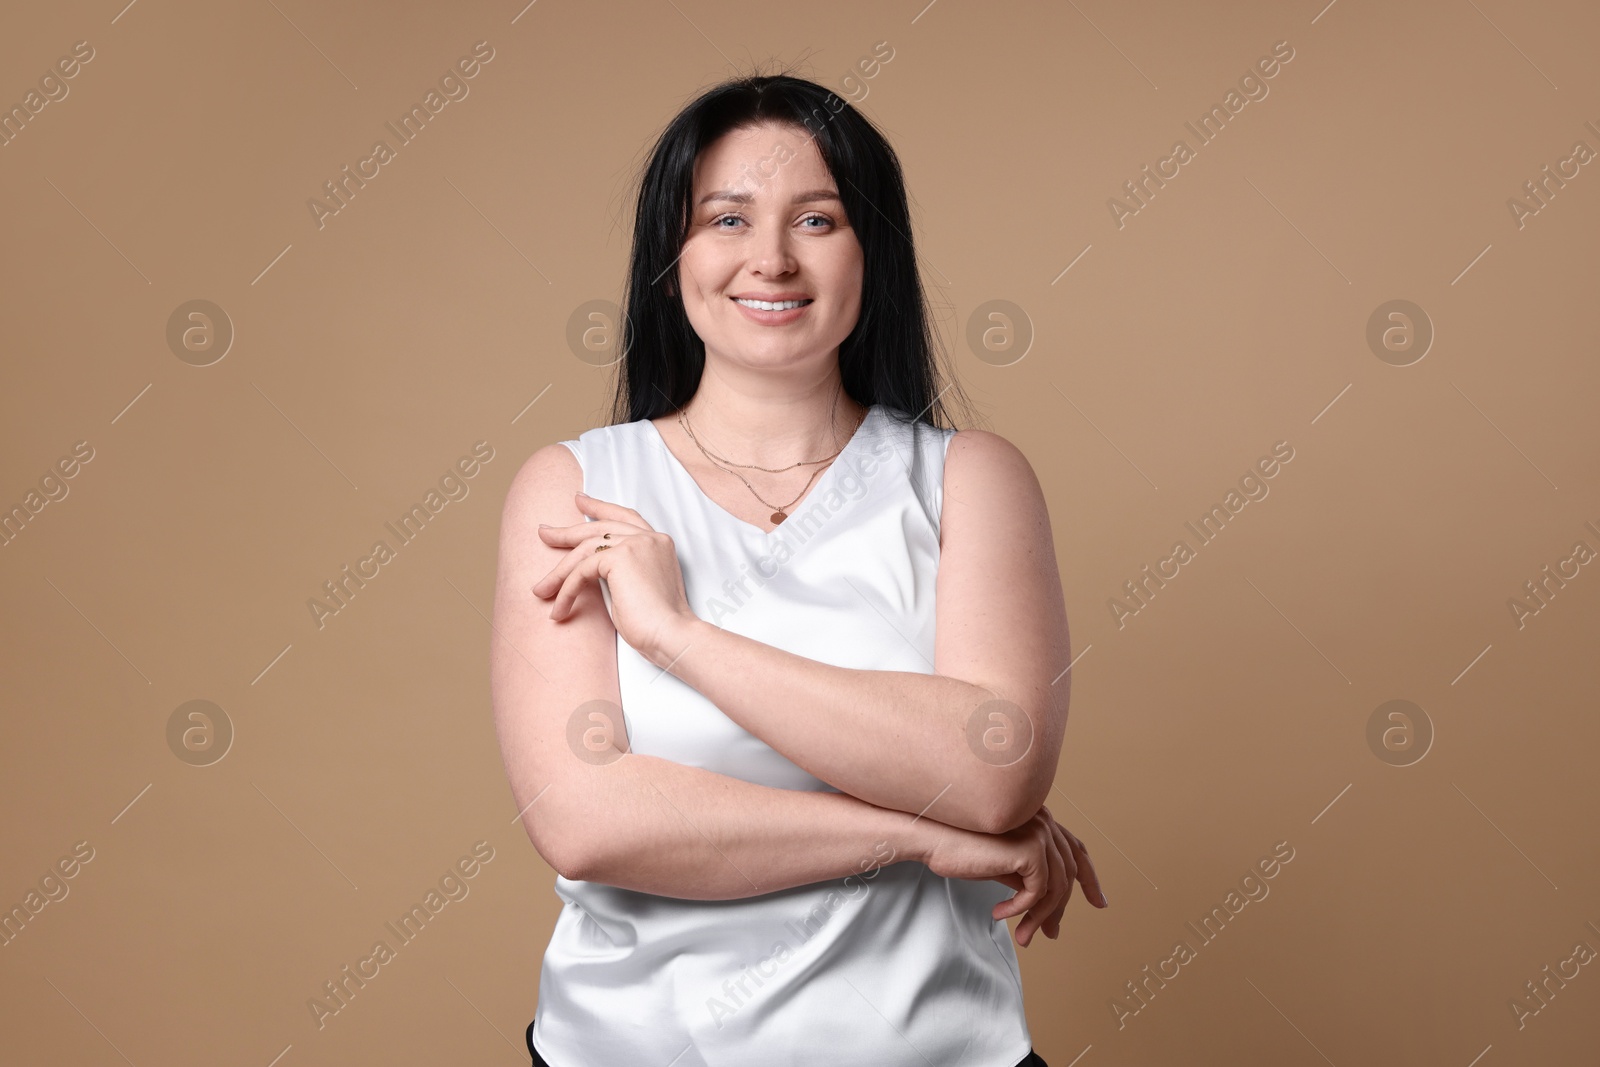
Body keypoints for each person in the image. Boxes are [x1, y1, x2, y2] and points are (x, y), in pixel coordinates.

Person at [491, 71, 1106, 1067]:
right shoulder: (575, 488)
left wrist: (679, 637)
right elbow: (587, 817)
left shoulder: (969, 479)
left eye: (815, 219)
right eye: (726, 218)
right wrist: (916, 832)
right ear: (672, 253)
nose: (769, 258)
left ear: (872, 252)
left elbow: (995, 770)